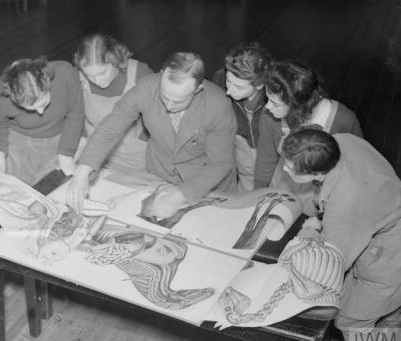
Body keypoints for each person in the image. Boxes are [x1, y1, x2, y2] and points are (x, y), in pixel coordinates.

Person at [67, 52, 237, 219]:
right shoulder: (147, 87)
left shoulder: (218, 105)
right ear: (161, 76)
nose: (169, 106)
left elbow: (220, 162)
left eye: (179, 101)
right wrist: (83, 170)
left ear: (198, 90)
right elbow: (111, 126)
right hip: (160, 171)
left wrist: (181, 194)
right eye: (165, 96)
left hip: (206, 182)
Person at [281, 128, 401, 341]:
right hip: (388, 210)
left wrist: (312, 231)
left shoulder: (344, 209)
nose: (285, 168)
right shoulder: (339, 141)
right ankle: (393, 339)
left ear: (316, 173)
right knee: (391, 309)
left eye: (290, 167)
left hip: (390, 255)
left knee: (352, 322)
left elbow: (330, 265)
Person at [254, 61, 363, 191]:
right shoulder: (269, 116)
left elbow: (354, 168)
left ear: (299, 107)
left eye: (275, 103)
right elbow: (265, 159)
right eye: (267, 99)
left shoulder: (344, 121)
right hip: (282, 189)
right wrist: (258, 193)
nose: (267, 107)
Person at [0, 56, 84, 186]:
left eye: (43, 103)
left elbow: (76, 116)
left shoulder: (65, 73)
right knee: (12, 185)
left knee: (59, 182)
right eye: (30, 108)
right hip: (20, 138)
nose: (40, 112)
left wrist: (66, 152)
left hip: (60, 134)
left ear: (47, 82)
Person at [73, 33, 153, 170]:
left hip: (132, 154)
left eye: (102, 73)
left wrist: (143, 139)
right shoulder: (79, 76)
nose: (97, 81)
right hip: (94, 149)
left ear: (115, 60)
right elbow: (75, 112)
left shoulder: (140, 74)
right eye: (89, 75)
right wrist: (82, 138)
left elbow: (158, 117)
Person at [87, 226, 215, 310]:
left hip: (140, 249)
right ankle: (174, 300)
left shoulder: (166, 252)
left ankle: (175, 299)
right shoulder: (140, 262)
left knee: (168, 263)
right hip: (137, 258)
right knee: (159, 278)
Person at [212, 43, 272, 192]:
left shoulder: (275, 96)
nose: (229, 92)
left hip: (269, 144)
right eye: (228, 81)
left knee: (271, 181)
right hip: (240, 139)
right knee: (246, 176)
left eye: (239, 87)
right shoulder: (219, 78)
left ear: (259, 85)